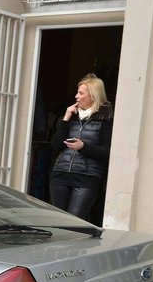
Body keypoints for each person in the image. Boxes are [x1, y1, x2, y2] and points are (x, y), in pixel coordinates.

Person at [48, 73, 114, 219]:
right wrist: (65, 118)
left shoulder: (105, 119)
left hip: (87, 178)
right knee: (57, 219)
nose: (76, 96)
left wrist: (83, 146)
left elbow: (106, 153)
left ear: (93, 95)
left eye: (81, 93)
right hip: (61, 173)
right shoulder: (71, 116)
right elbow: (56, 145)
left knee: (75, 220)